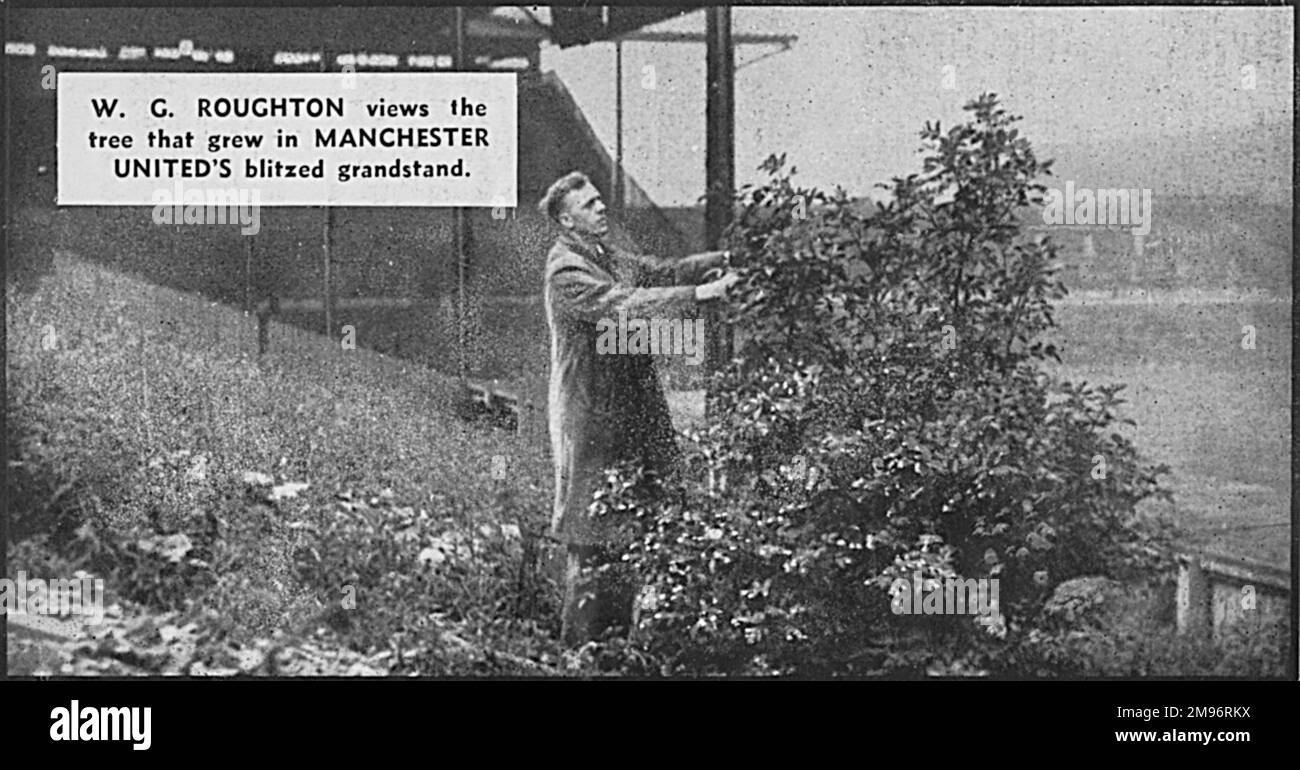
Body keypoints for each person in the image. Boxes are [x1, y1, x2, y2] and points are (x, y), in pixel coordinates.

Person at [539, 171, 739, 646]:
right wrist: (702, 294)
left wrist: (719, 261)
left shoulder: (600, 255)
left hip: (624, 412)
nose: (601, 208)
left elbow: (655, 272)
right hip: (591, 418)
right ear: (567, 220)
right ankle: (580, 654)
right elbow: (623, 304)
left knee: (634, 527)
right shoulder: (567, 270)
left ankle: (622, 651)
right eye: (589, 205)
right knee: (591, 539)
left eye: (599, 201)